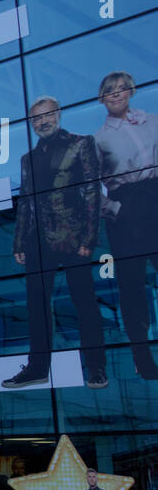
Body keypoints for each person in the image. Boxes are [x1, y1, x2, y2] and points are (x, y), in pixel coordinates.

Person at [4, 96, 107, 389]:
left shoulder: (80, 143)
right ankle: (37, 368)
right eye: (36, 119)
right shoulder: (28, 159)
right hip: (38, 240)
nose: (42, 122)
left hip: (74, 238)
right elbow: (25, 201)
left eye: (46, 116)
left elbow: (92, 191)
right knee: (37, 306)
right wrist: (19, 242)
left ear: (58, 115)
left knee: (84, 301)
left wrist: (89, 237)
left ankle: (97, 367)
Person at [94, 71, 158, 379]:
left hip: (156, 195)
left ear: (131, 90)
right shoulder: (99, 139)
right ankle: (143, 359)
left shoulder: (154, 120)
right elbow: (88, 186)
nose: (117, 94)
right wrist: (114, 209)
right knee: (132, 287)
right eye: (110, 91)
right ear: (102, 98)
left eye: (121, 89)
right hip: (127, 206)